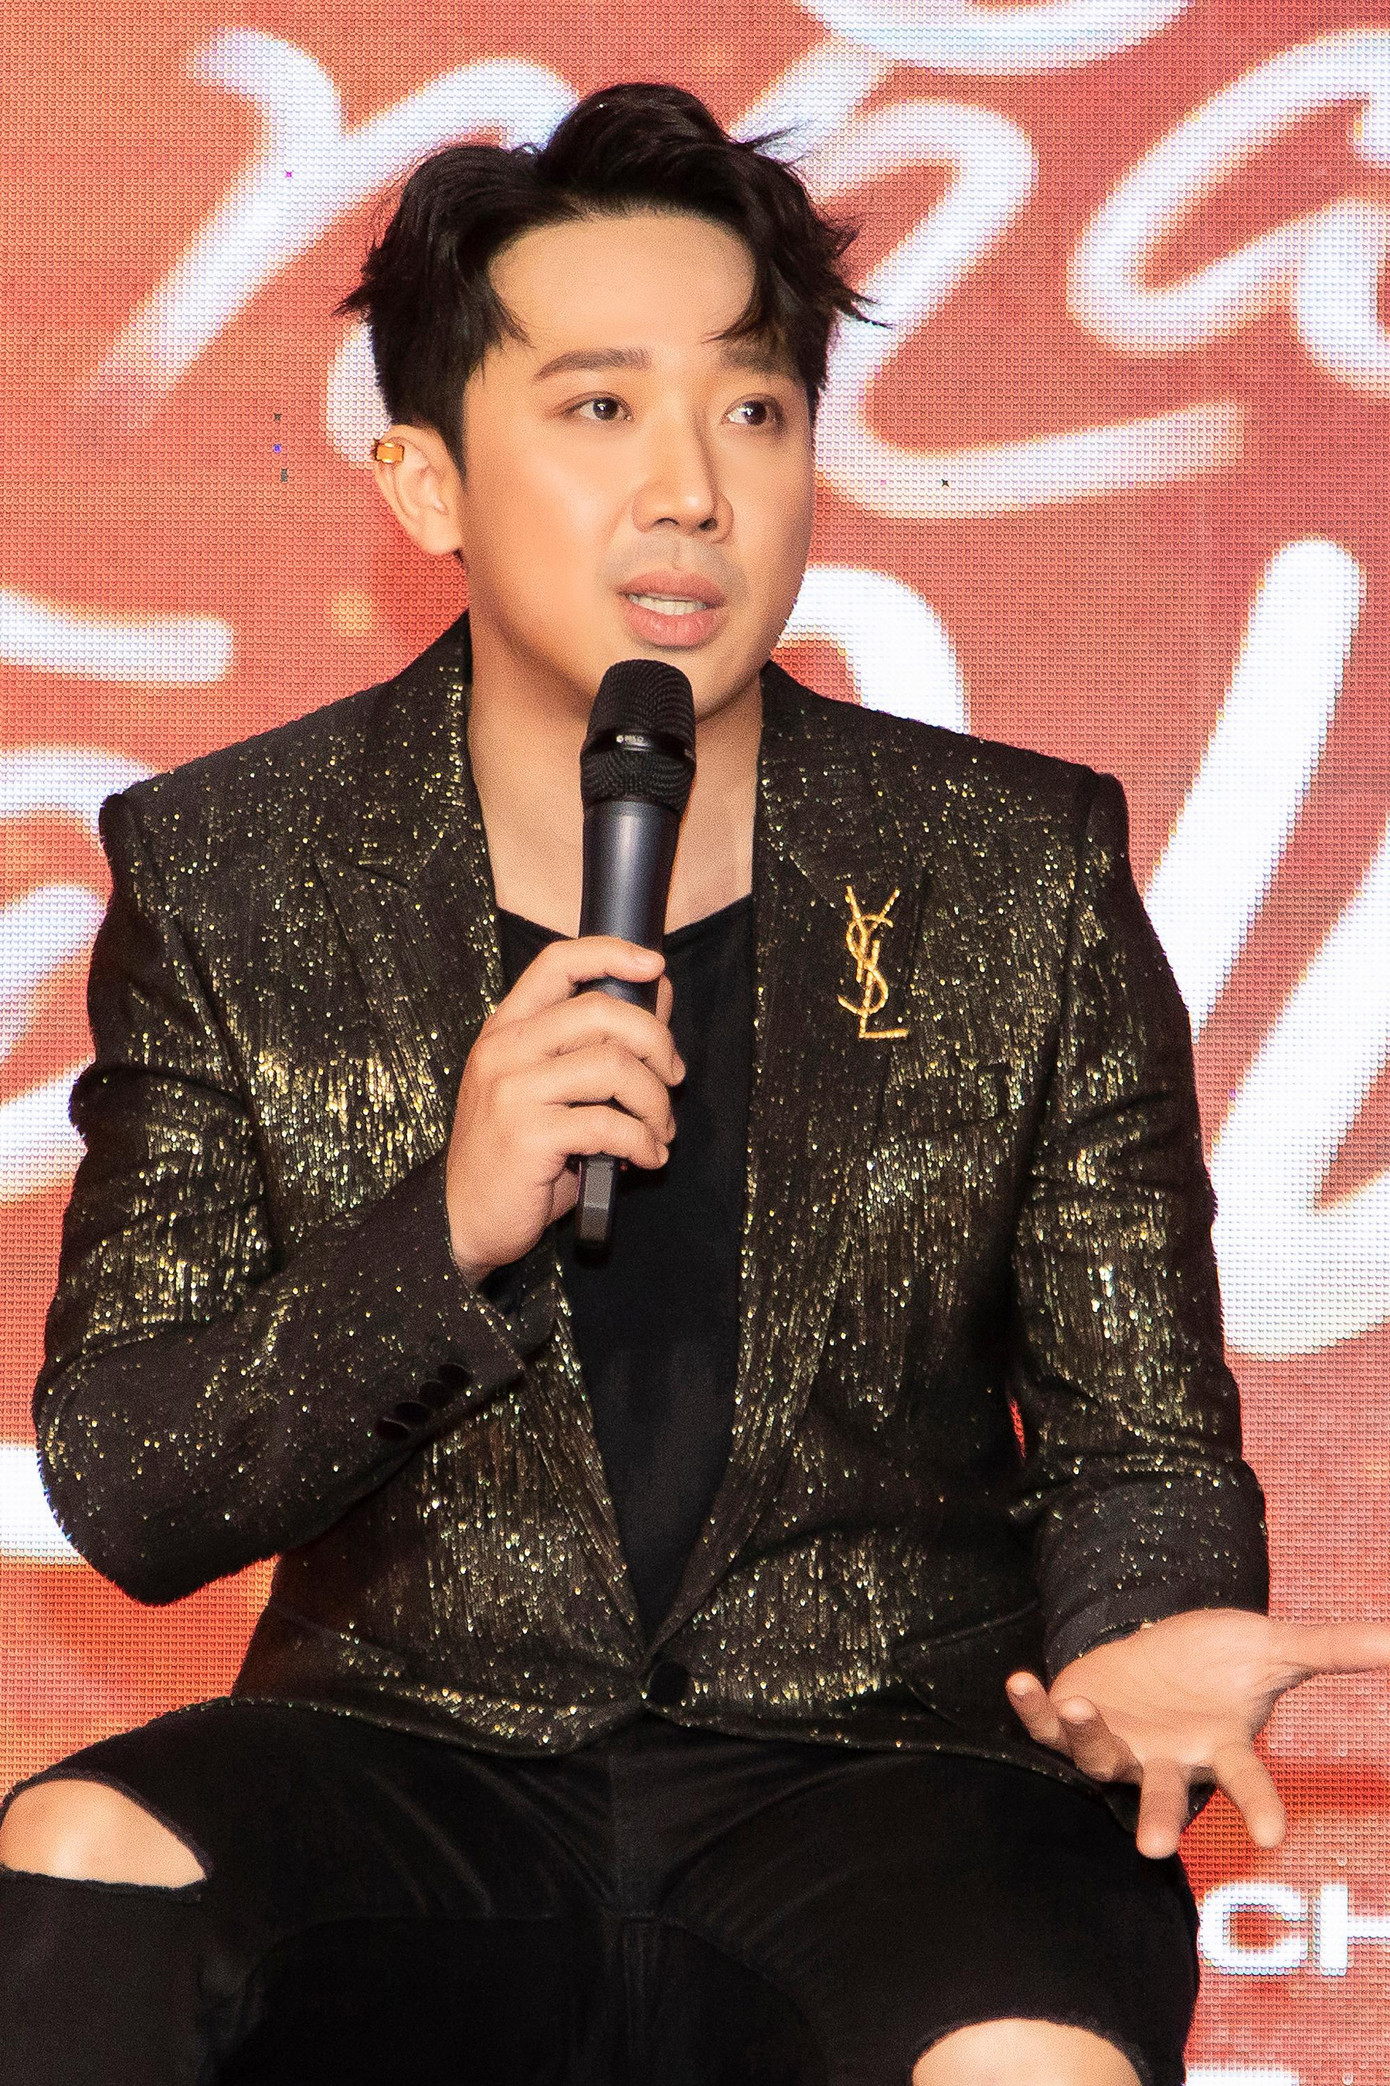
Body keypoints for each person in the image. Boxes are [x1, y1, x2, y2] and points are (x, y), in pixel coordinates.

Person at [0, 81, 1385, 2086]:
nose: (691, 491)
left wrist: (1141, 1625)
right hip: (415, 1757)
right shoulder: (234, 870)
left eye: (751, 409)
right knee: (81, 1853)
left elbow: (1136, 1440)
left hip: (884, 1780)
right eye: (598, 408)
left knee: (1022, 2056)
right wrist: (440, 1231)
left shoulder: (1013, 870)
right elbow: (130, 1476)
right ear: (425, 482)